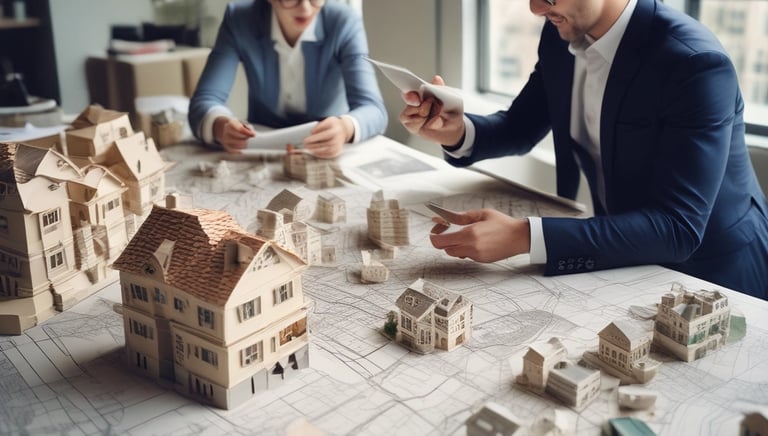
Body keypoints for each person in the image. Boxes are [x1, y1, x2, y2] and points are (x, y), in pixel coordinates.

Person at [400, 0, 768, 300]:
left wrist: (522, 236)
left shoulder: (695, 63)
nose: (535, 8)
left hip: (716, 274)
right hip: (625, 257)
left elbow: (678, 227)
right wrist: (456, 131)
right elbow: (521, 127)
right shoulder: (561, 33)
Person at [188, 0, 387, 158]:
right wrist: (220, 125)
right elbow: (205, 100)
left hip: (324, 150)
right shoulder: (240, 18)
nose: (306, 8)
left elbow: (374, 109)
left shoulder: (344, 20)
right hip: (261, 150)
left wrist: (345, 127)